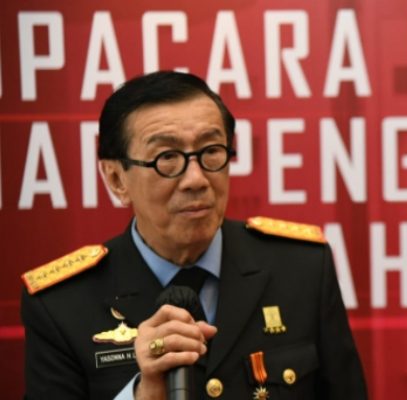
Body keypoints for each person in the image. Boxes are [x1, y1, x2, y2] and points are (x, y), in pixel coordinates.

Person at [21, 71, 368, 399]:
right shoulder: (62, 305)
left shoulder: (302, 269)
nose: (196, 180)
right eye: (167, 157)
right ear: (116, 179)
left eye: (211, 152)